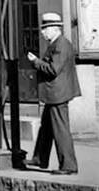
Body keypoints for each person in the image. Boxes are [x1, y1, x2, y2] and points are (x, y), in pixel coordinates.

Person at [27, 11, 81, 174]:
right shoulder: (58, 44)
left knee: (60, 130)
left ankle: (68, 166)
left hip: (58, 94)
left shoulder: (61, 45)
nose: (43, 32)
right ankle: (39, 158)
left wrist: (35, 61)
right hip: (55, 94)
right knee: (47, 128)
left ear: (55, 29)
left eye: (45, 29)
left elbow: (53, 69)